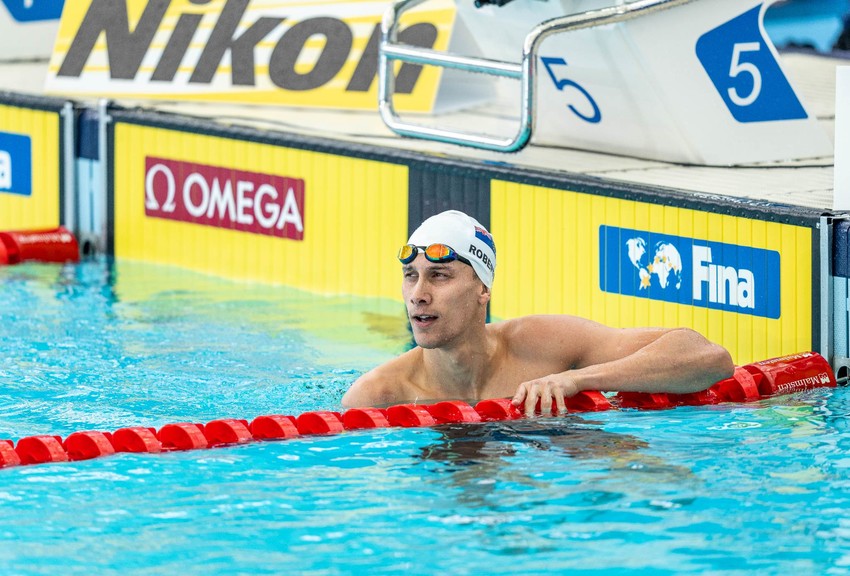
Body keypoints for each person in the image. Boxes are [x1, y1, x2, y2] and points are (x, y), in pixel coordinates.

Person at [341, 210, 734, 415]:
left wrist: (577, 380)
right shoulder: (380, 395)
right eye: (411, 277)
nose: (418, 295)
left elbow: (708, 357)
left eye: (439, 276)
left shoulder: (543, 345)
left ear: (483, 289)